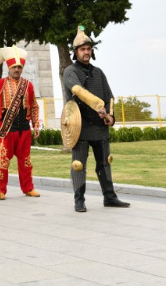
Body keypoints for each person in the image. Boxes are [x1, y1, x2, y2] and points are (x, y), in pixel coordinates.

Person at [62, 26, 129, 213]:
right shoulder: (70, 71)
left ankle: (110, 197)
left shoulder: (98, 72)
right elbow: (77, 90)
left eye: (89, 49)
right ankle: (79, 200)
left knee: (105, 162)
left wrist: (110, 115)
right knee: (78, 164)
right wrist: (98, 105)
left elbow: (110, 97)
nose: (86, 52)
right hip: (80, 125)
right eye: (83, 49)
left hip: (99, 127)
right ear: (76, 52)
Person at [0, 46, 41, 200]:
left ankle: (28, 188)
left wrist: (35, 125)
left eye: (19, 67)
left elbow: (34, 105)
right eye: (14, 67)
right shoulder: (0, 84)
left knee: (26, 161)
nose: (16, 69)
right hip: (6, 128)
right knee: (2, 161)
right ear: (9, 67)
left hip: (23, 127)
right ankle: (0, 190)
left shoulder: (28, 85)